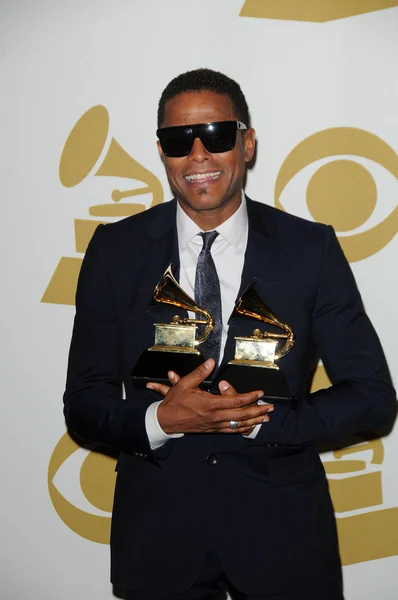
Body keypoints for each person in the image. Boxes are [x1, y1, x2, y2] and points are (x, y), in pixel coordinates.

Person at [63, 69, 396, 600]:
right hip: (159, 543)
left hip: (283, 541)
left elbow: (374, 398)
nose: (197, 155)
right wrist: (159, 419)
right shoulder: (115, 250)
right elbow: (83, 403)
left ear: (247, 142)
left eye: (216, 135)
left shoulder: (309, 249)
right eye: (178, 141)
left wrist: (264, 421)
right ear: (162, 152)